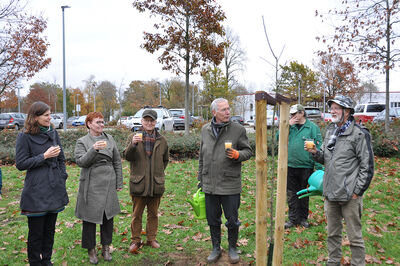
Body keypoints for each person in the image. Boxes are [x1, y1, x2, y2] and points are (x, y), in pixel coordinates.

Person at [305, 95, 374, 266]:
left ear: (347, 111)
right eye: (332, 108)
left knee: (355, 237)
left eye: (337, 108)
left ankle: (358, 263)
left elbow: (367, 166)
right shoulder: (330, 131)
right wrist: (315, 153)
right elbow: (325, 159)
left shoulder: (359, 134)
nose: (332, 111)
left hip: (350, 195)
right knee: (332, 233)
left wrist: (357, 192)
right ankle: (333, 261)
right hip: (330, 193)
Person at [198, 98, 252, 264]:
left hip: (230, 183)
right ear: (214, 112)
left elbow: (248, 151)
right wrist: (201, 178)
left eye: (228, 109)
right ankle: (215, 248)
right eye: (224, 110)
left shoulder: (238, 129)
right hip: (210, 183)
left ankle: (232, 248)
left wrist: (238, 155)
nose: (228, 112)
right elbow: (202, 155)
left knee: (232, 219)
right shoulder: (205, 129)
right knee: (212, 218)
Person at [15, 101, 69, 266]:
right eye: (46, 115)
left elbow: (61, 158)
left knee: (50, 230)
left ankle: (46, 261)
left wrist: (62, 175)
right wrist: (44, 156)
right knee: (36, 233)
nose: (49, 118)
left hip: (54, 188)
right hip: (36, 191)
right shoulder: (24, 136)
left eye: (50, 114)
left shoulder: (53, 132)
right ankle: (35, 262)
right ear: (35, 117)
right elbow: (21, 163)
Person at [74, 112, 123, 264]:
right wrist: (93, 149)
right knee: (89, 218)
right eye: (98, 122)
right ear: (89, 124)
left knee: (108, 217)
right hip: (91, 182)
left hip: (108, 180)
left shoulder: (109, 138)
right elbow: (81, 161)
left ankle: (106, 248)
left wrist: (118, 182)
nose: (102, 125)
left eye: (103, 122)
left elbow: (117, 161)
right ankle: (91, 250)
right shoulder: (82, 141)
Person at [123, 109, 169, 254]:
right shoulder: (133, 137)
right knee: (137, 214)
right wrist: (133, 144)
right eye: (146, 120)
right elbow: (127, 156)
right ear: (142, 121)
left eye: (152, 121)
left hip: (156, 183)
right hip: (139, 183)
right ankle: (135, 240)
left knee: (153, 214)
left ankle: (151, 238)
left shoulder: (162, 140)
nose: (149, 123)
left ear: (156, 122)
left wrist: (157, 173)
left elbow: (165, 160)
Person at [284, 104, 323, 229]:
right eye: (291, 114)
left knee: (304, 193)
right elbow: (279, 139)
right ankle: (293, 218)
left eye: (295, 113)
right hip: (290, 165)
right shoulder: (289, 126)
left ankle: (303, 219)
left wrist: (318, 166)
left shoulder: (312, 128)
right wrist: (286, 126)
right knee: (291, 193)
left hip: (306, 166)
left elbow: (318, 146)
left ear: (302, 113)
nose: (292, 116)